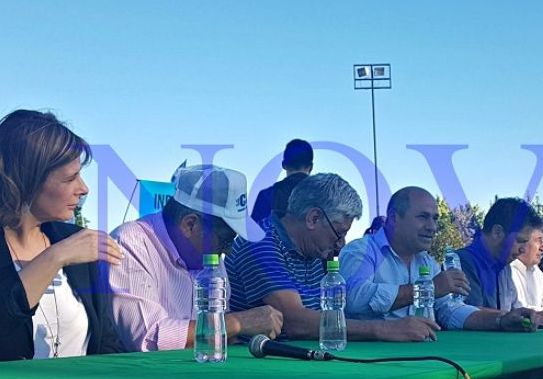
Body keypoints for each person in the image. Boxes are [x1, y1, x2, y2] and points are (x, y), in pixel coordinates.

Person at [226, 173, 439, 341]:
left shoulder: (313, 250)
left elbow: (327, 314)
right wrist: (383, 329)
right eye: (339, 233)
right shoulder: (260, 243)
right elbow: (294, 321)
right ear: (313, 218)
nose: (342, 243)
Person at [109, 164, 283, 352]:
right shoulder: (131, 243)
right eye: (225, 240)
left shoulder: (209, 258)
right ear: (189, 224)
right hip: (139, 378)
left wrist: (243, 329)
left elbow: (219, 327)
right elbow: (149, 338)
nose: (230, 251)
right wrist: (239, 322)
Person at [0, 109, 125, 361]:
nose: (84, 188)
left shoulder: (76, 242)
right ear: (28, 180)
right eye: (70, 178)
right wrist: (54, 257)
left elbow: (105, 343)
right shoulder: (69, 248)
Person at [340, 187, 537, 331]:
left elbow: (450, 310)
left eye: (435, 218)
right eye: (423, 217)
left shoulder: (426, 262)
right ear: (393, 218)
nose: (432, 227)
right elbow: (353, 299)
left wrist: (500, 321)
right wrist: (427, 289)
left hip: (421, 360)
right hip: (370, 365)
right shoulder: (361, 251)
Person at [456, 197, 536, 311]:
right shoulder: (462, 262)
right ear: (497, 232)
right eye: (519, 241)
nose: (523, 250)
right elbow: (471, 316)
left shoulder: (505, 267)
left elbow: (515, 311)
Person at [251, 139, 313, 226]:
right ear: (310, 167)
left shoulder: (266, 195)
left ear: (284, 165)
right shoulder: (326, 196)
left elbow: (254, 234)